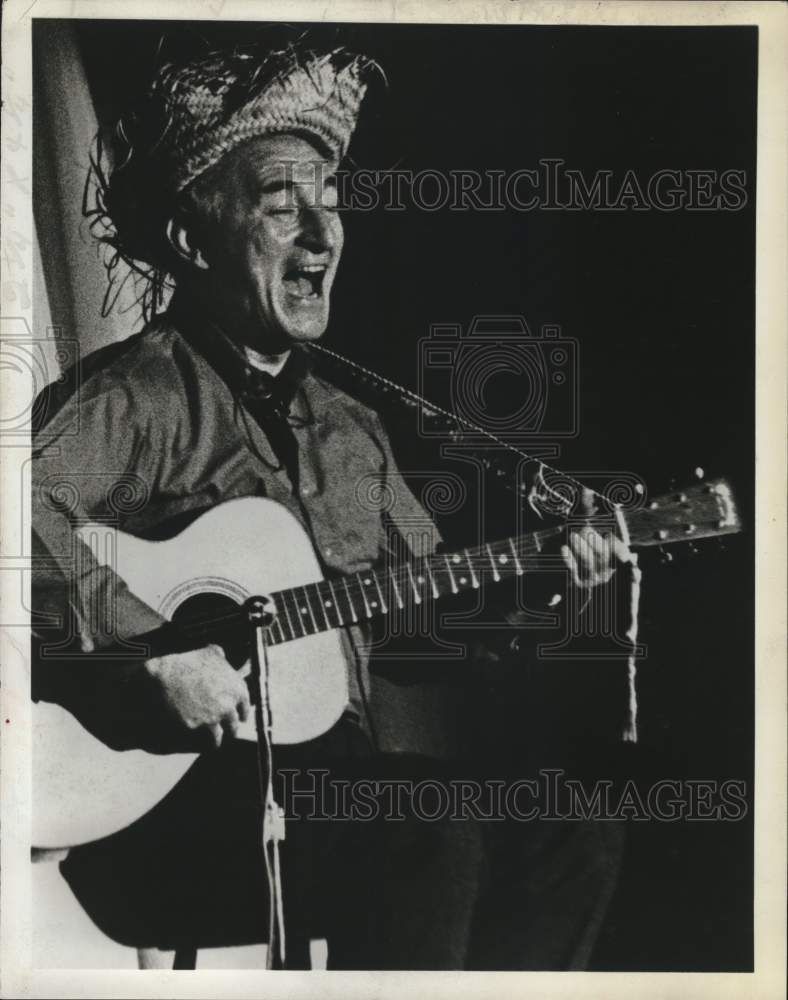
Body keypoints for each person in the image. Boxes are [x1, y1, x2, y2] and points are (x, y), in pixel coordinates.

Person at [31, 39, 628, 969]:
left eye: (332, 204)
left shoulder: (352, 428)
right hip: (162, 818)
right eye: (282, 206)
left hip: (339, 792)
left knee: (571, 831)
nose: (322, 236)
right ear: (194, 241)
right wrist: (151, 652)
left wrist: (543, 580)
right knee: (430, 831)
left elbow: (418, 621)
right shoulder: (136, 398)